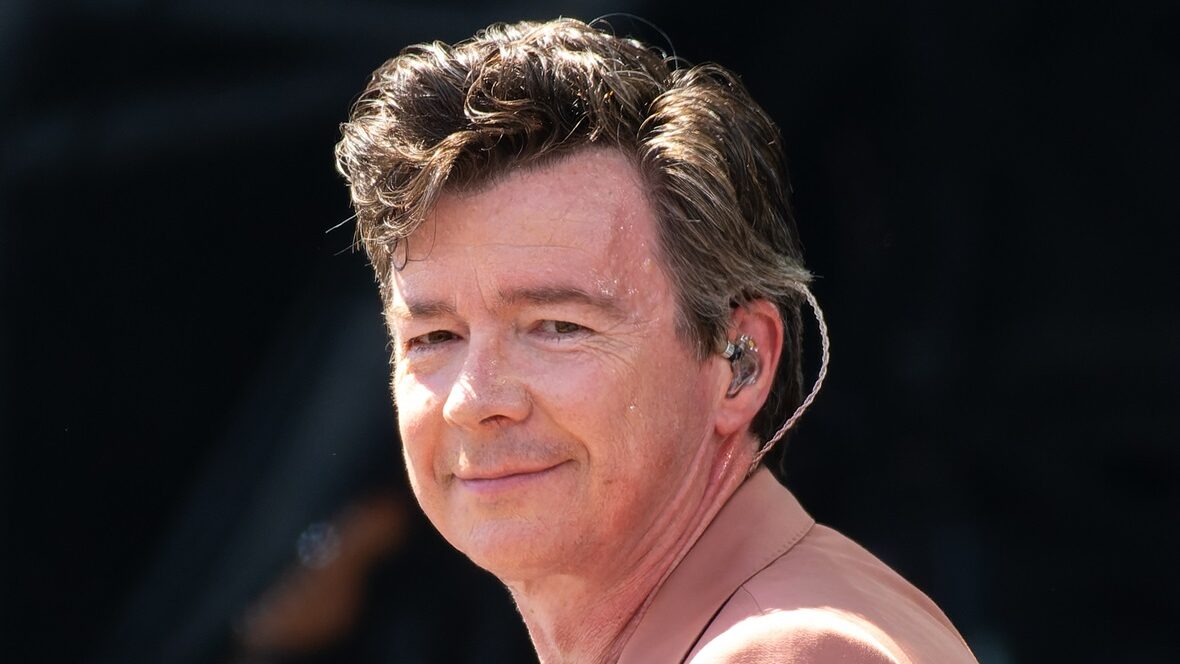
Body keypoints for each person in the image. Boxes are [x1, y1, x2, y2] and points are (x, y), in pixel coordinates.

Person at [334, 17, 977, 663]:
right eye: (434, 336)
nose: (473, 401)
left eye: (559, 327)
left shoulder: (784, 651)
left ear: (741, 364)